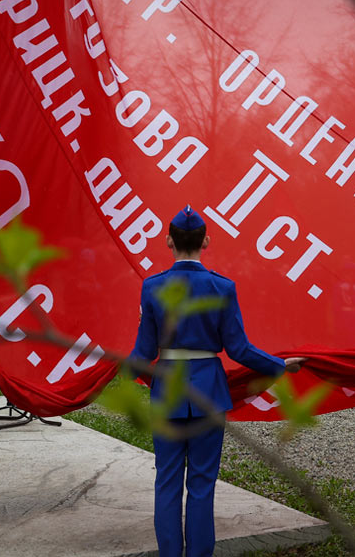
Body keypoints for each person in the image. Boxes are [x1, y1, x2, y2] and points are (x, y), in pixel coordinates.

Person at [129, 205, 306, 557]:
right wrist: (278, 365)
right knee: (202, 484)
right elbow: (239, 349)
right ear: (206, 241)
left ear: (168, 241)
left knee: (166, 482)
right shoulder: (222, 287)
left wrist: (108, 372)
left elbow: (142, 354)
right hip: (209, 391)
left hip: (167, 393)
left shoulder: (152, 287)